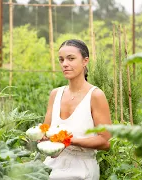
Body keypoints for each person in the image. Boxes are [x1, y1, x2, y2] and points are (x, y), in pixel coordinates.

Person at [42, 39, 112, 180]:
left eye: (71, 59)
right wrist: (42, 138)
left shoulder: (95, 95)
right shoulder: (55, 94)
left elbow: (106, 141)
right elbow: (46, 132)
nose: (65, 64)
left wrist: (71, 141)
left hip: (82, 170)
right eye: (61, 60)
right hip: (51, 166)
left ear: (85, 61)